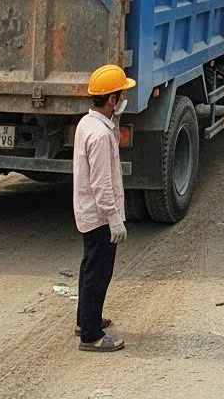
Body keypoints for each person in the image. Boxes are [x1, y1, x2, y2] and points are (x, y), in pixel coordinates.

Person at [73, 63, 136, 353]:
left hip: (89, 212)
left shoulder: (90, 124)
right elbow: (101, 182)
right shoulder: (99, 135)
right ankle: (91, 335)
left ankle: (86, 319)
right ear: (112, 99)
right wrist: (114, 218)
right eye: (121, 95)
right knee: (98, 274)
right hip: (99, 215)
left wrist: (116, 122)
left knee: (89, 268)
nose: (123, 100)